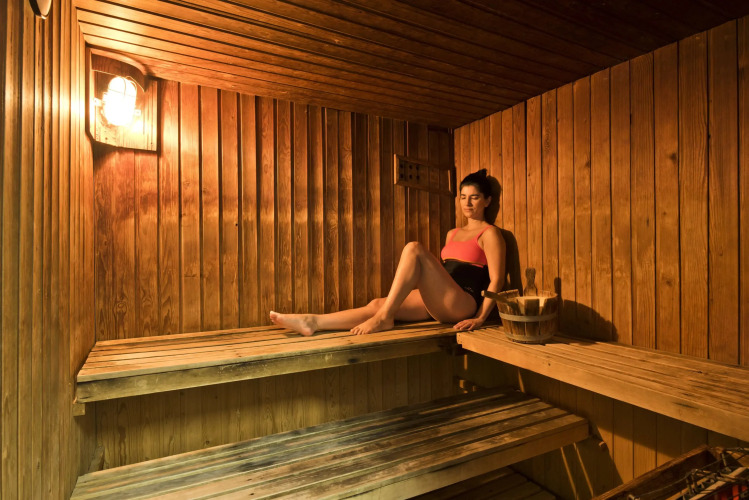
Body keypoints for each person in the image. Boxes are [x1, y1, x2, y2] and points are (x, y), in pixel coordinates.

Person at [270, 169, 506, 336]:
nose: (467, 203)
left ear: (487, 201)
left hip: (463, 302)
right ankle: (312, 322)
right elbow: (442, 276)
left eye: (474, 198)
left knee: (414, 248)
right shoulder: (452, 233)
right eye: (463, 197)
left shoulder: (490, 234)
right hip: (442, 298)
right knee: (378, 304)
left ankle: (384, 319)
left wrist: (480, 318)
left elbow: (497, 280)